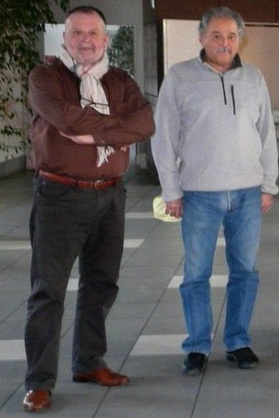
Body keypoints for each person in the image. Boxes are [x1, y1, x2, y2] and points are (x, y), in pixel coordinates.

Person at [22, 5, 154, 412]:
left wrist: (89, 132)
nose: (85, 39)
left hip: (111, 196)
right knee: (49, 291)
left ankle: (88, 362)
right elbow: (63, 117)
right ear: (65, 39)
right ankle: (39, 382)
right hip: (60, 197)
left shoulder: (121, 81)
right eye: (77, 32)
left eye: (93, 32)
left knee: (101, 285)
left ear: (105, 39)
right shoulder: (47, 77)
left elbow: (145, 122)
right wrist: (114, 128)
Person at [153, 6, 279, 375]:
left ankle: (238, 341)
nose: (225, 43)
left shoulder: (254, 78)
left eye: (231, 36)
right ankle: (196, 346)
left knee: (245, 272)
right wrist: (171, 191)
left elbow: (267, 135)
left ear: (240, 39)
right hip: (198, 195)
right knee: (196, 274)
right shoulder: (178, 78)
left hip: (248, 194)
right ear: (202, 38)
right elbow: (164, 139)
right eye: (217, 36)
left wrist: (268, 184)